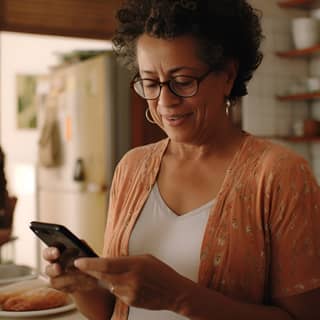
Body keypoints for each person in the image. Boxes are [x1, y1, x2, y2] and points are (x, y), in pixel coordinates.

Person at [43, 0, 320, 319]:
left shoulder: (280, 174)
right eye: (150, 82)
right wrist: (82, 284)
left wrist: (182, 298)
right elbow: (110, 311)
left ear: (228, 76)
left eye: (183, 81)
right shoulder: (132, 168)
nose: (165, 102)